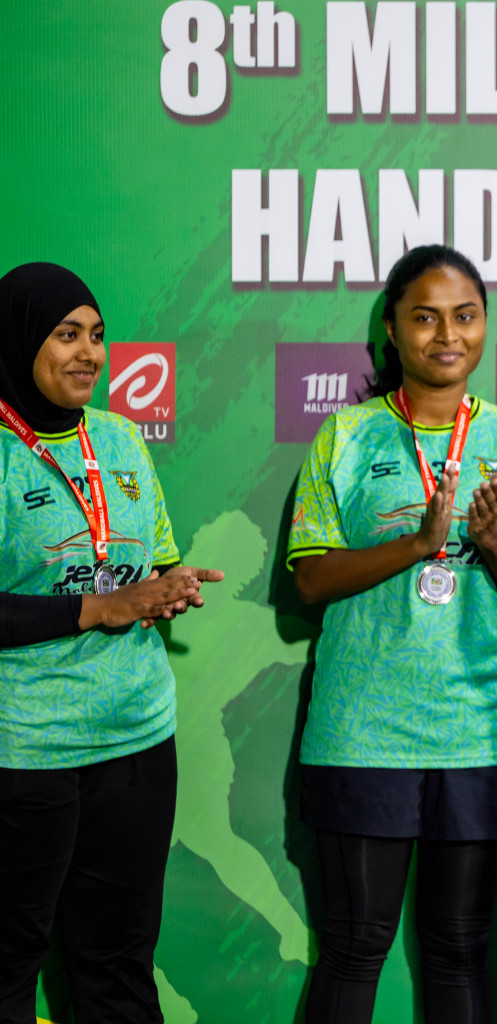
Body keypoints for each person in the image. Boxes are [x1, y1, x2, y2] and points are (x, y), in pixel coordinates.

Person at [287, 245, 497, 1024]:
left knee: (461, 947)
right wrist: (415, 543)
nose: (447, 334)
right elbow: (310, 581)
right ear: (394, 331)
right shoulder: (345, 436)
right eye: (425, 316)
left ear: (484, 328)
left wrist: (493, 538)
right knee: (352, 945)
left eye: (464, 316)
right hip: (363, 731)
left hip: (483, 731)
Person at [0, 262, 223, 1023]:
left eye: (97, 335)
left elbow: (148, 560)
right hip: (25, 751)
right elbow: (98, 597)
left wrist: (169, 588)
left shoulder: (123, 439)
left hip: (134, 741)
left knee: (119, 961)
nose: (89, 353)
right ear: (20, 338)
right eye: (66, 334)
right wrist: (98, 608)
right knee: (8, 963)